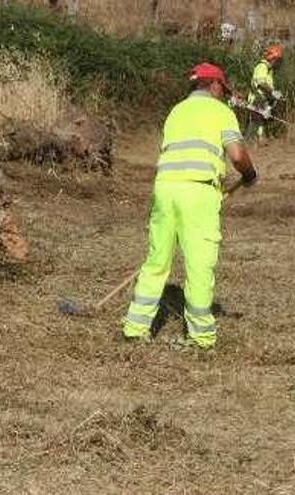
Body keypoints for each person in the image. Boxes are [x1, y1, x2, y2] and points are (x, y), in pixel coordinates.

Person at [122, 63, 258, 349]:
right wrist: (249, 174)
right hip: (198, 192)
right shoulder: (221, 112)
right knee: (199, 264)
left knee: (157, 260)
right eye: (223, 89)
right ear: (215, 85)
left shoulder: (176, 111)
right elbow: (236, 154)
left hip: (165, 188)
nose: (224, 94)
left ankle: (135, 328)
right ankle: (200, 337)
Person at [244, 44, 283, 142]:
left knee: (263, 119)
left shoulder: (270, 70)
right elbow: (261, 83)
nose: (278, 63)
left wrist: (274, 94)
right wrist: (273, 92)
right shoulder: (262, 67)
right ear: (272, 58)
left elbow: (268, 84)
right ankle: (247, 142)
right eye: (277, 60)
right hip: (257, 98)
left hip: (263, 98)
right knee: (255, 121)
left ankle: (261, 139)